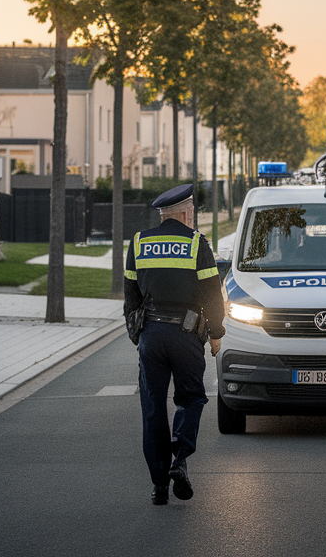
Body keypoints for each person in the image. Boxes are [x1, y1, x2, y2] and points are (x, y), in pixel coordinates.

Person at [123, 183, 226, 505]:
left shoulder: (139, 242)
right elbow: (212, 293)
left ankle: (159, 488)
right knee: (191, 398)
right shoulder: (196, 243)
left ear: (163, 215)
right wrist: (216, 334)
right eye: (192, 210)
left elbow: (130, 296)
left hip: (151, 335)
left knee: (153, 408)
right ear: (184, 213)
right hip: (186, 333)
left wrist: (138, 335)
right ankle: (179, 460)